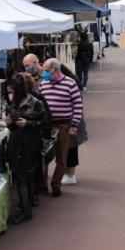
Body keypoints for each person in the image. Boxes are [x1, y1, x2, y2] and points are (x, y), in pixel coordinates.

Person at [5, 76, 48, 223]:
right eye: (8, 92)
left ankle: (26, 209)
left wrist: (28, 123)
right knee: (22, 176)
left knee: (24, 176)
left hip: (29, 144)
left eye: (11, 92)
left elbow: (44, 124)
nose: (9, 95)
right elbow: (11, 127)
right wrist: (9, 123)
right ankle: (27, 204)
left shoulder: (37, 103)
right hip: (16, 143)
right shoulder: (12, 104)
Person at [39, 58, 82, 197]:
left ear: (55, 70)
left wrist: (74, 125)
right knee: (43, 156)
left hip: (64, 125)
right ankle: (43, 184)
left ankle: (56, 184)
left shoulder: (70, 83)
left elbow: (78, 105)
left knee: (62, 157)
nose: (44, 73)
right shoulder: (43, 84)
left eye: (46, 70)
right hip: (47, 125)